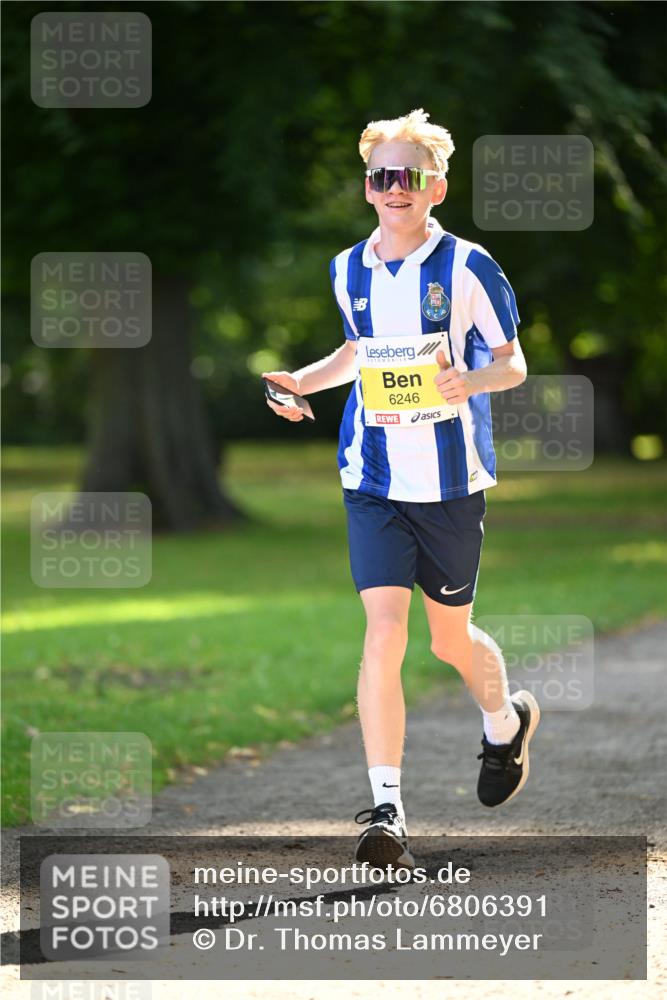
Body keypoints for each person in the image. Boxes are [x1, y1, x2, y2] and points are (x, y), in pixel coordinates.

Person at [263, 109, 540, 869]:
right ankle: (385, 811)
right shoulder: (347, 267)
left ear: (435, 188)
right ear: (366, 187)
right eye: (381, 176)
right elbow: (357, 350)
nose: (394, 189)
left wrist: (468, 379)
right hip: (372, 478)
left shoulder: (469, 267)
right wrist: (299, 380)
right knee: (383, 633)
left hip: (449, 483)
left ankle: (504, 722)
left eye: (408, 177)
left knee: (449, 640)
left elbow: (512, 365)